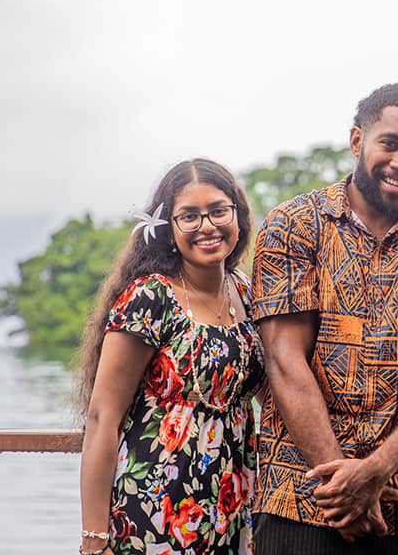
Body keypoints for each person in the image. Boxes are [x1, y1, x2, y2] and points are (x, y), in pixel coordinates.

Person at [250, 83, 398, 554]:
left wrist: (374, 472)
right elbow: (283, 361)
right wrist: (344, 488)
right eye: (391, 144)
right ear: (358, 141)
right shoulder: (293, 225)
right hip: (301, 494)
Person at [75, 158, 266, 555]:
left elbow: (272, 393)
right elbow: (102, 417)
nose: (207, 226)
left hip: (234, 504)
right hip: (155, 506)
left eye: (218, 211)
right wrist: (94, 540)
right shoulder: (151, 297)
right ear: (167, 228)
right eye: (189, 217)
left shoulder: (247, 292)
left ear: (237, 215)